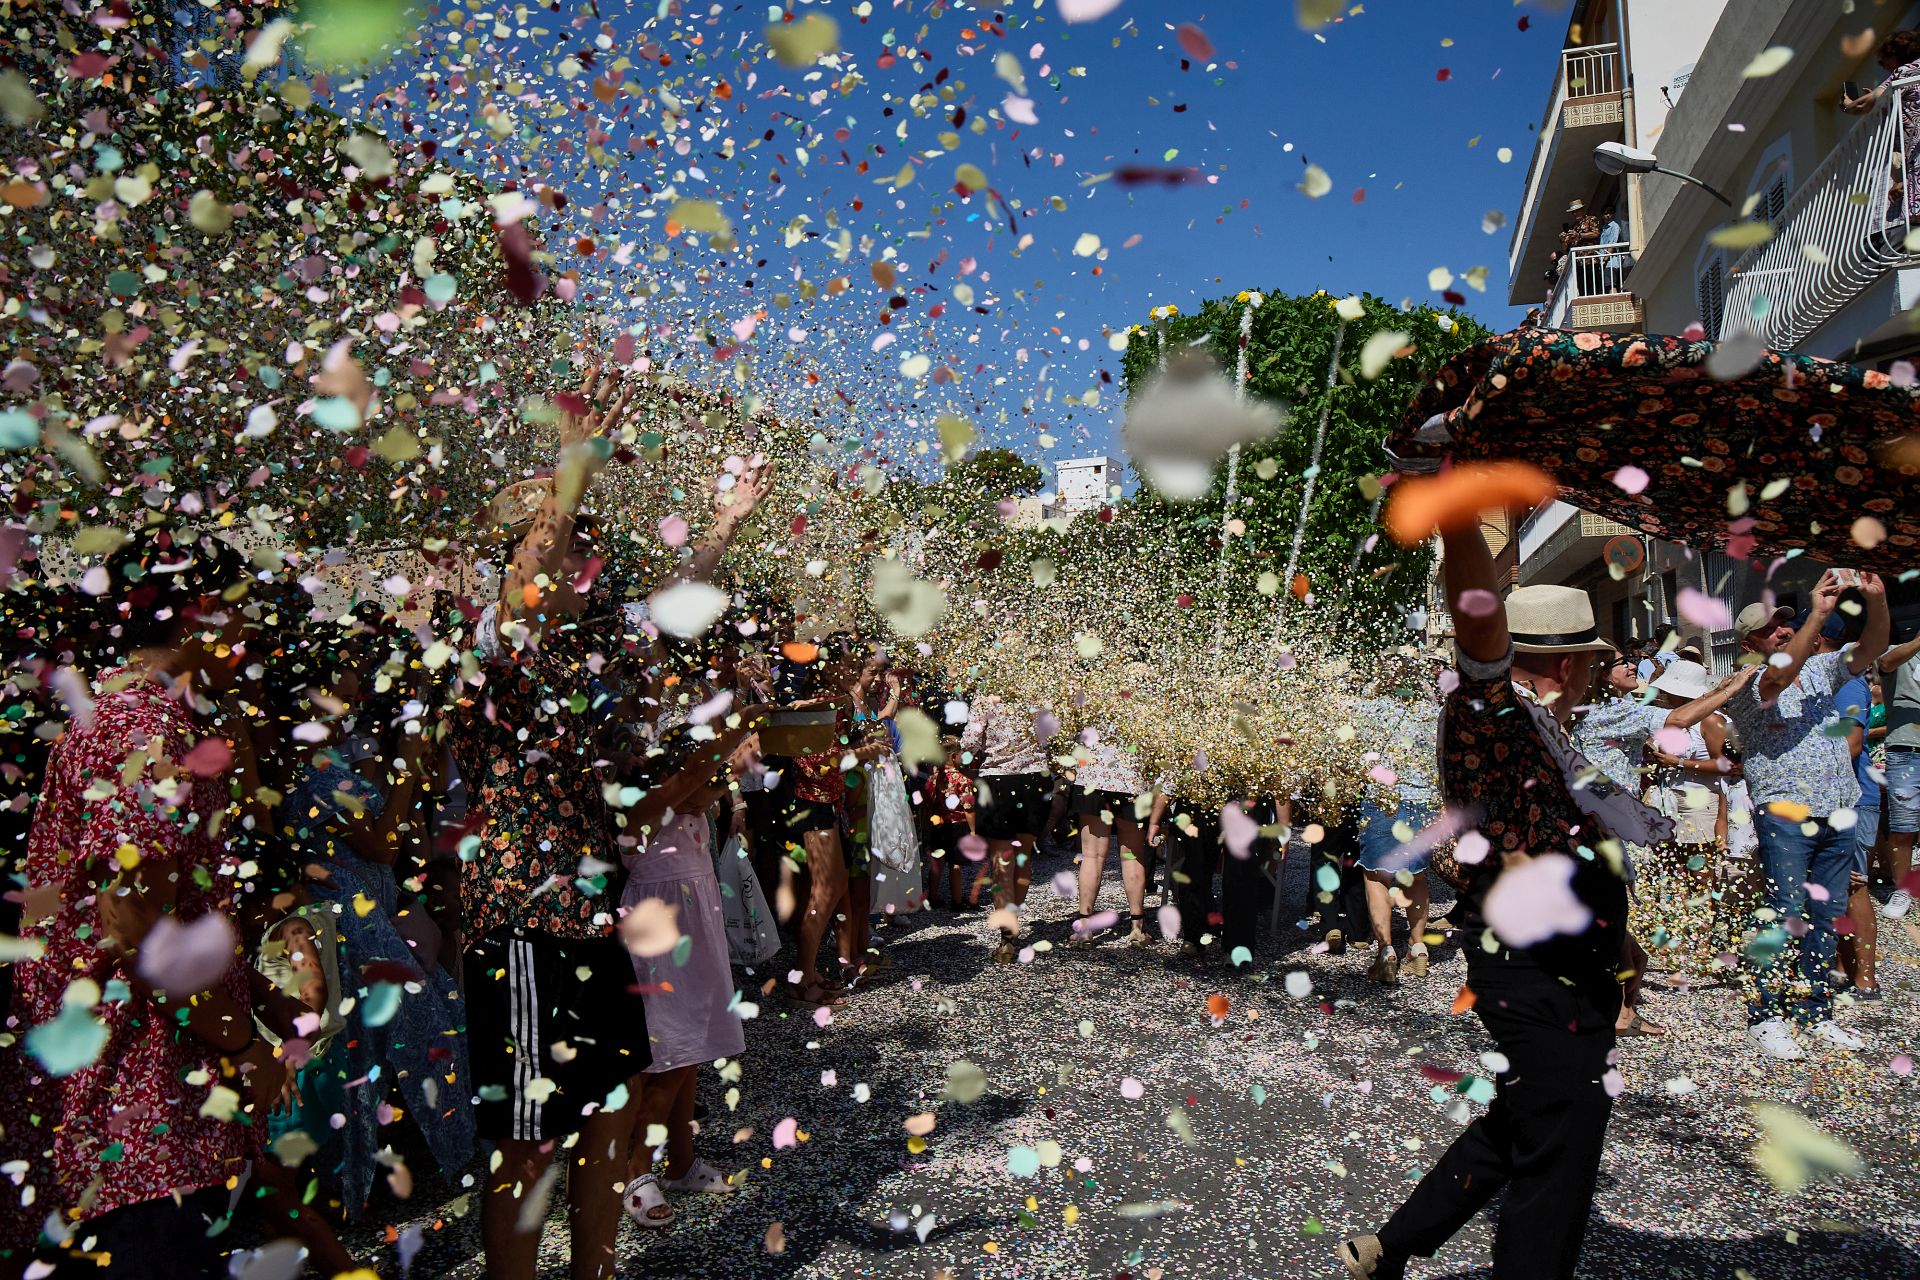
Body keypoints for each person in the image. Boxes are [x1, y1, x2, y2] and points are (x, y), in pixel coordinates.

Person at [1340, 514, 1674, 1280]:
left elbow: (1569, 838)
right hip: (1532, 968)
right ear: (1564, 665)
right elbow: (1477, 621)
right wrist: (1459, 516)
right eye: (1589, 658)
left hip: (1575, 962)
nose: (1595, 671)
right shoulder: (1487, 713)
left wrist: (1614, 937)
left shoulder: (1548, 732)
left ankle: (1389, 1246)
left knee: (1532, 1112)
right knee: (1566, 1125)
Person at [16, 525, 282, 1276]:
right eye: (239, 610)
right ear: (200, 612)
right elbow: (129, 920)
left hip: (118, 1103)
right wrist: (241, 1039)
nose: (247, 632)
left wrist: (254, 992)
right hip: (141, 1112)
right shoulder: (149, 730)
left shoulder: (116, 715)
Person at [452, 372, 655, 1280]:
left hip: (593, 915)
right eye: (572, 549)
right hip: (524, 924)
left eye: (589, 553)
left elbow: (677, 603)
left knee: (614, 1104)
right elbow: (527, 579)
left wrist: (724, 524)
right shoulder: (498, 643)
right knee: (531, 1137)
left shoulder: (586, 655)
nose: (584, 567)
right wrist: (572, 472)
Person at [1717, 577, 1889, 1061]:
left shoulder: (1820, 671)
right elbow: (1776, 677)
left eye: (1785, 624)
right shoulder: (1748, 680)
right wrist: (1815, 613)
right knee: (1786, 911)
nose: (1781, 631)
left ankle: (1814, 1011)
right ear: (1749, 644)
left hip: (1837, 807)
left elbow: (1872, 646)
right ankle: (1767, 1015)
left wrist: (1875, 603)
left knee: (1826, 915)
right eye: (1771, 629)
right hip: (1786, 812)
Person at [620, 724, 758, 1229]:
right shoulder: (646, 812)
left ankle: (680, 1161)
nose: (714, 786)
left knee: (692, 1049)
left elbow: (703, 786)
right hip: (662, 936)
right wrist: (735, 741)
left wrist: (733, 764)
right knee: (668, 1053)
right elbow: (693, 784)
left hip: (696, 934)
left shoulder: (692, 810)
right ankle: (636, 1164)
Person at [1355, 658, 1439, 984]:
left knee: (1377, 877)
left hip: (1381, 800)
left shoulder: (1370, 710)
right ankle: (1418, 947)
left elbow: (1354, 751)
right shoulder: (1430, 714)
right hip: (1421, 802)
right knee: (1416, 876)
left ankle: (1386, 950)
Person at [959, 692, 1053, 962]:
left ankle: (1007, 935)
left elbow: (970, 743)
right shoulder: (1041, 697)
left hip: (998, 781)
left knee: (1002, 860)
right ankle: (1013, 925)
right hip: (1035, 781)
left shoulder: (986, 700)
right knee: (1023, 856)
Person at [1065, 724, 1151, 948]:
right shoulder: (1146, 697)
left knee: (1091, 856)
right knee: (1132, 856)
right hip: (1132, 778)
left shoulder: (1089, 692)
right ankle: (1137, 927)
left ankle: (1085, 927)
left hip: (1092, 776)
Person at [1842, 28, 1920, 225]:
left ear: (1894, 55)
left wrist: (1847, 105)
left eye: (1883, 61)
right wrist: (1885, 104)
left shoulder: (1901, 73)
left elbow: (1861, 106)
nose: (1884, 67)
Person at [1879, 623, 1920, 921]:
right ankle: (1902, 888)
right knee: (1903, 827)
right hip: (1906, 751)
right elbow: (1885, 663)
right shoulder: (1899, 654)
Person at [921, 736, 978, 908]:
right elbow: (968, 807)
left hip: (937, 824)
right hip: (957, 825)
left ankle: (933, 897)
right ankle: (958, 900)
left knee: (937, 862)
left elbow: (926, 804)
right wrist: (973, 830)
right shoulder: (963, 780)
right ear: (953, 756)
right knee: (956, 863)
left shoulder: (932, 778)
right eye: (961, 753)